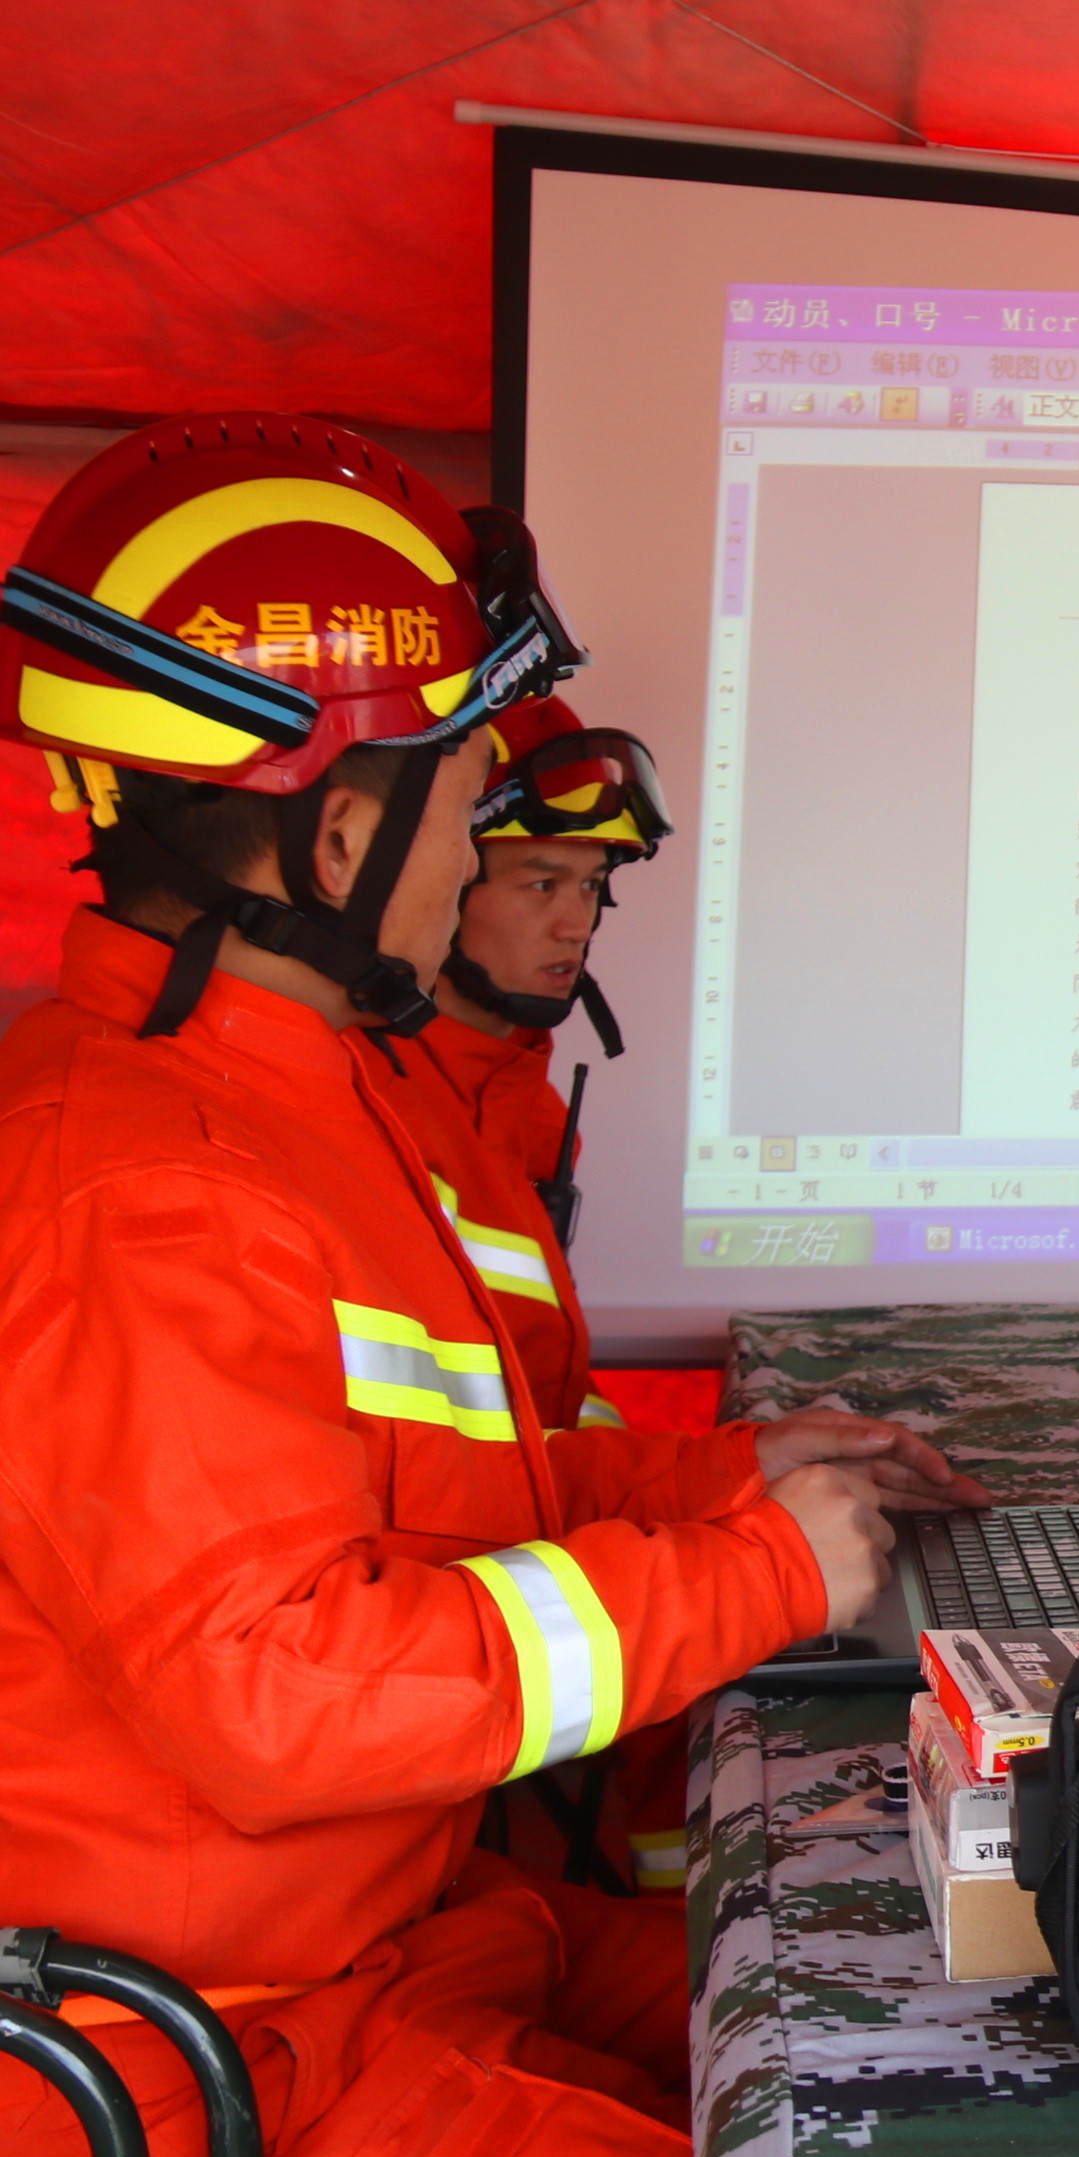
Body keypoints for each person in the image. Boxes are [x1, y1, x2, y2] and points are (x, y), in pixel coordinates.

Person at [0, 415, 978, 2157]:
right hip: (174, 2073)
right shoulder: (138, 1191)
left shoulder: (262, 1104)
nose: (477, 868)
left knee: (913, 2014)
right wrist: (741, 1576)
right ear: (334, 826)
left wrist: (746, 1472)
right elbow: (277, 1696)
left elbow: (444, 1488)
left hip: (370, 1956)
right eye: (464, 810)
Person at [380, 700, 692, 1899]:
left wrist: (718, 1478)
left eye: (595, 888)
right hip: (467, 1675)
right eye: (540, 882)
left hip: (525, 1617)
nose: (578, 924)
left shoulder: (506, 1096)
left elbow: (542, 1410)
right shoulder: (386, 1109)